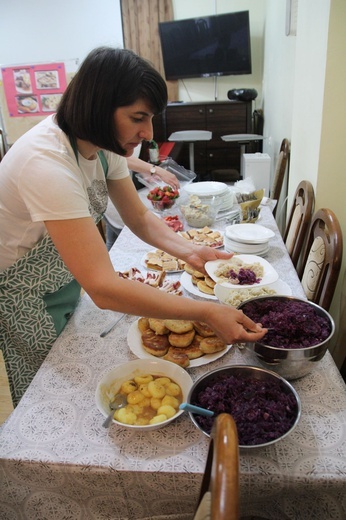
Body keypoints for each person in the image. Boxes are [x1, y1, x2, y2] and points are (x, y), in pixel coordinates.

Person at [0, 46, 266, 407]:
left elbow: (139, 217)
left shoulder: (103, 143)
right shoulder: (45, 163)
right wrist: (206, 311)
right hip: (23, 290)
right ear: (97, 106)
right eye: (138, 117)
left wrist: (192, 253)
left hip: (60, 275)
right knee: (49, 395)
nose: (148, 132)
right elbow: (104, 289)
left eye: (151, 118)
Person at [104, 149, 180, 250]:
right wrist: (155, 170)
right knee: (127, 244)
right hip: (111, 198)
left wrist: (143, 171)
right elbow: (116, 156)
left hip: (116, 190)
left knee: (112, 241)